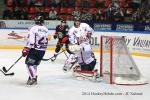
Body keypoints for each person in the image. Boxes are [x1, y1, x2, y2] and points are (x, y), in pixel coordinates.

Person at [22, 16, 50, 85]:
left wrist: (26, 48)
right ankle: (32, 77)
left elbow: (31, 41)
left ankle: (33, 78)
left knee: (29, 64)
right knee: (34, 65)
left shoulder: (33, 28)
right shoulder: (46, 29)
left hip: (34, 50)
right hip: (42, 50)